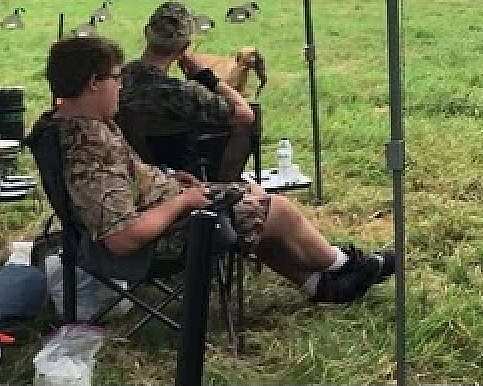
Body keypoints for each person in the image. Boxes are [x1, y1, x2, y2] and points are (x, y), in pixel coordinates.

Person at [44, 35, 393, 304]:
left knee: (252, 200)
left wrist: (163, 180)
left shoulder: (78, 124)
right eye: (115, 78)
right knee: (274, 208)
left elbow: (122, 185)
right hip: (165, 239)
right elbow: (122, 239)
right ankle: (342, 264)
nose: (120, 85)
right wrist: (183, 201)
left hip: (163, 208)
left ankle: (318, 284)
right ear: (93, 82)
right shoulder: (89, 148)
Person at [118, 1, 253, 181]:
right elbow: (246, 115)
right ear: (185, 47)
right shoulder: (184, 95)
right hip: (181, 184)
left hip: (127, 178)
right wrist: (206, 77)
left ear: (146, 32)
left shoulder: (111, 83)